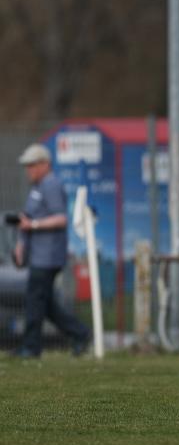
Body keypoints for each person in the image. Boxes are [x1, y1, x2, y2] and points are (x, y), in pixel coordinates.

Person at [12, 143, 90, 358]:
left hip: (48, 256)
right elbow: (29, 217)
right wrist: (21, 242)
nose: (28, 170)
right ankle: (81, 333)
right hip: (38, 254)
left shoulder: (51, 185)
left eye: (32, 165)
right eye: (27, 166)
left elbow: (61, 218)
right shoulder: (37, 187)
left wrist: (33, 226)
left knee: (35, 300)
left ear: (45, 164)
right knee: (45, 303)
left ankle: (31, 347)